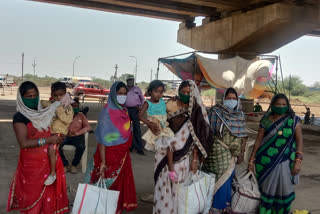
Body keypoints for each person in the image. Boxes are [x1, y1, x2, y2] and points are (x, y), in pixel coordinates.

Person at [7, 81, 69, 214]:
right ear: (21, 97)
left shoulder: (44, 111)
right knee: (32, 196)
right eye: (29, 96)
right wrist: (48, 139)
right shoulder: (20, 117)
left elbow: (52, 128)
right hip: (32, 166)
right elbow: (23, 143)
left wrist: (57, 138)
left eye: (35, 95)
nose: (33, 99)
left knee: (50, 198)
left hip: (49, 161)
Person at [153, 80, 213, 214]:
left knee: (178, 190)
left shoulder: (196, 111)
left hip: (183, 159)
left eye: (188, 92)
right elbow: (161, 125)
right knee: (163, 187)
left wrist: (195, 160)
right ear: (179, 91)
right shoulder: (171, 104)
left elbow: (198, 138)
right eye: (183, 92)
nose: (185, 95)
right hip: (163, 153)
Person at [86, 81, 137, 214]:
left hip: (122, 155)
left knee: (118, 187)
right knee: (107, 186)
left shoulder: (124, 111)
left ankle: (115, 209)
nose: (123, 96)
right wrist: (103, 162)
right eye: (120, 93)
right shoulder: (107, 113)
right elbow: (103, 140)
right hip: (108, 156)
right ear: (113, 94)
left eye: (125, 94)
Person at [248, 93, 303, 214]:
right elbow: (258, 141)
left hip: (286, 162)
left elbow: (299, 141)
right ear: (272, 105)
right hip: (266, 162)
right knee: (266, 190)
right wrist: (251, 160)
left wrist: (298, 161)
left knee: (284, 190)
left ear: (287, 105)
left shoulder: (293, 120)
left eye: (284, 104)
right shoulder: (266, 121)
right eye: (278, 104)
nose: (281, 106)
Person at [205, 87, 248, 214]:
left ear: (238, 100)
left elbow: (243, 135)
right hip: (218, 151)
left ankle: (225, 206)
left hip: (233, 153)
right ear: (224, 99)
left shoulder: (240, 114)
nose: (231, 100)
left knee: (228, 179)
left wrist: (241, 152)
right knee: (220, 179)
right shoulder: (215, 112)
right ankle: (216, 208)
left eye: (234, 98)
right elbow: (208, 133)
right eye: (228, 98)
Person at [41, 81, 74, 185]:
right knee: (48, 152)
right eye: (55, 95)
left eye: (61, 95)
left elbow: (67, 120)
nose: (58, 98)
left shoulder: (67, 106)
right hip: (50, 132)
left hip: (58, 133)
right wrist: (40, 102)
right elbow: (45, 104)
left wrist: (58, 109)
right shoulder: (54, 103)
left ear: (65, 94)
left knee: (52, 151)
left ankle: (52, 173)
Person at [139, 80, 175, 152]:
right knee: (159, 150)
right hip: (156, 129)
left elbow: (166, 111)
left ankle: (170, 163)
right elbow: (139, 116)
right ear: (150, 92)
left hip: (164, 128)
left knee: (170, 146)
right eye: (156, 91)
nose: (159, 94)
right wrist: (149, 123)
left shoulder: (162, 101)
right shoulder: (147, 103)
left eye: (161, 92)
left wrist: (171, 101)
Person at [59, 98, 91, 174]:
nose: (75, 107)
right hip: (66, 135)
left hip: (77, 135)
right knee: (56, 145)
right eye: (73, 106)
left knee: (81, 146)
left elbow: (88, 127)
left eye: (76, 106)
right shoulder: (64, 114)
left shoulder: (81, 115)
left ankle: (74, 165)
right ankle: (65, 165)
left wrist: (77, 133)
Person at [125, 75, 145, 155]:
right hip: (126, 110)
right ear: (126, 81)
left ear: (134, 80)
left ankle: (139, 148)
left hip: (135, 110)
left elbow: (142, 99)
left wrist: (140, 107)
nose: (130, 81)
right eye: (129, 80)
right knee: (127, 129)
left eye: (132, 80)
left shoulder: (137, 89)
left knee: (137, 129)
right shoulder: (124, 89)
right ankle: (129, 146)